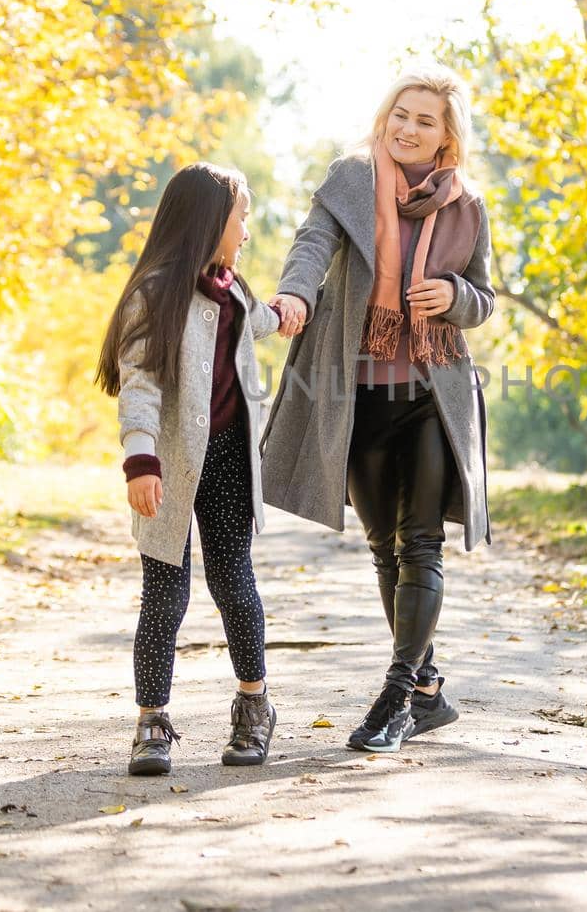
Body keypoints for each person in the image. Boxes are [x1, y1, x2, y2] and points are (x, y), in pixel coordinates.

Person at [261, 65, 496, 753]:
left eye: (425, 119)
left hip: (432, 394)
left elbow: (483, 297)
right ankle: (425, 689)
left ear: (447, 136)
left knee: (420, 541)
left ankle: (395, 695)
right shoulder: (351, 180)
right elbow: (311, 246)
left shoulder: (467, 206)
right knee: (382, 547)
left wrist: (452, 295)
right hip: (354, 390)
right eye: (401, 112)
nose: (407, 127)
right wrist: (296, 296)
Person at [94, 162, 285, 775]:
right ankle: (151, 721)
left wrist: (291, 310)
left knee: (234, 582)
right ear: (209, 224)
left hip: (228, 460)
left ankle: (254, 707)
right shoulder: (155, 294)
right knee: (164, 596)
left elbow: (260, 322)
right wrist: (140, 459)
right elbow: (140, 385)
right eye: (241, 220)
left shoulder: (234, 290)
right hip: (169, 467)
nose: (246, 234)